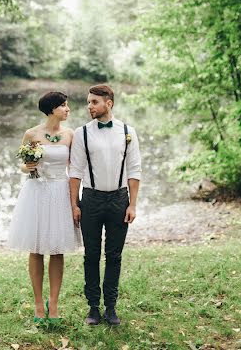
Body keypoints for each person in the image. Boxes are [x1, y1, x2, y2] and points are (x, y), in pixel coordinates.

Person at [69, 84, 141, 326]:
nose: (89, 106)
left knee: (114, 255)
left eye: (94, 102)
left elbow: (134, 169)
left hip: (119, 200)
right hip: (90, 199)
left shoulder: (128, 131)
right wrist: (74, 205)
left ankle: (111, 308)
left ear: (108, 103)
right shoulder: (82, 133)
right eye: (88, 102)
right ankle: (93, 308)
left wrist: (132, 204)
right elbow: (75, 172)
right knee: (91, 255)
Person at [8, 91, 82, 323]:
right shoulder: (32, 134)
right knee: (36, 248)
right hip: (37, 191)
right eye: (63, 106)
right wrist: (27, 167)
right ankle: (38, 303)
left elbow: (75, 170)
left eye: (67, 106)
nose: (68, 109)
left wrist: (75, 201)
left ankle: (54, 303)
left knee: (57, 249)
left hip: (60, 191)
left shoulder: (70, 135)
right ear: (51, 109)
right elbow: (21, 165)